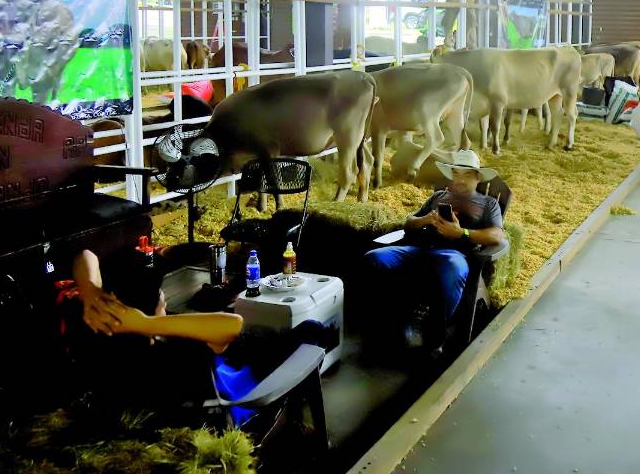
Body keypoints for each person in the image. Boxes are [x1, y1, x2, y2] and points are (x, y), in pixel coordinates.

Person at [63, 248, 326, 418]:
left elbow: (84, 254)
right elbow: (233, 325)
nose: (165, 303)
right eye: (162, 301)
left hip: (195, 380)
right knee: (310, 331)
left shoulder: (95, 329)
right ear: (147, 313)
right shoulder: (174, 352)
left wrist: (91, 292)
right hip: (241, 396)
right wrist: (144, 323)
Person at [363, 149, 505, 350]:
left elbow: (496, 235)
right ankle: (393, 319)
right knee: (374, 257)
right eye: (456, 174)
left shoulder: (488, 204)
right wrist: (426, 219)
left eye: (466, 175)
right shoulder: (439, 196)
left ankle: (436, 330)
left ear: (477, 177)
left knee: (452, 266)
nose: (460, 180)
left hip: (452, 254)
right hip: (419, 250)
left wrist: (461, 233)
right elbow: (409, 222)